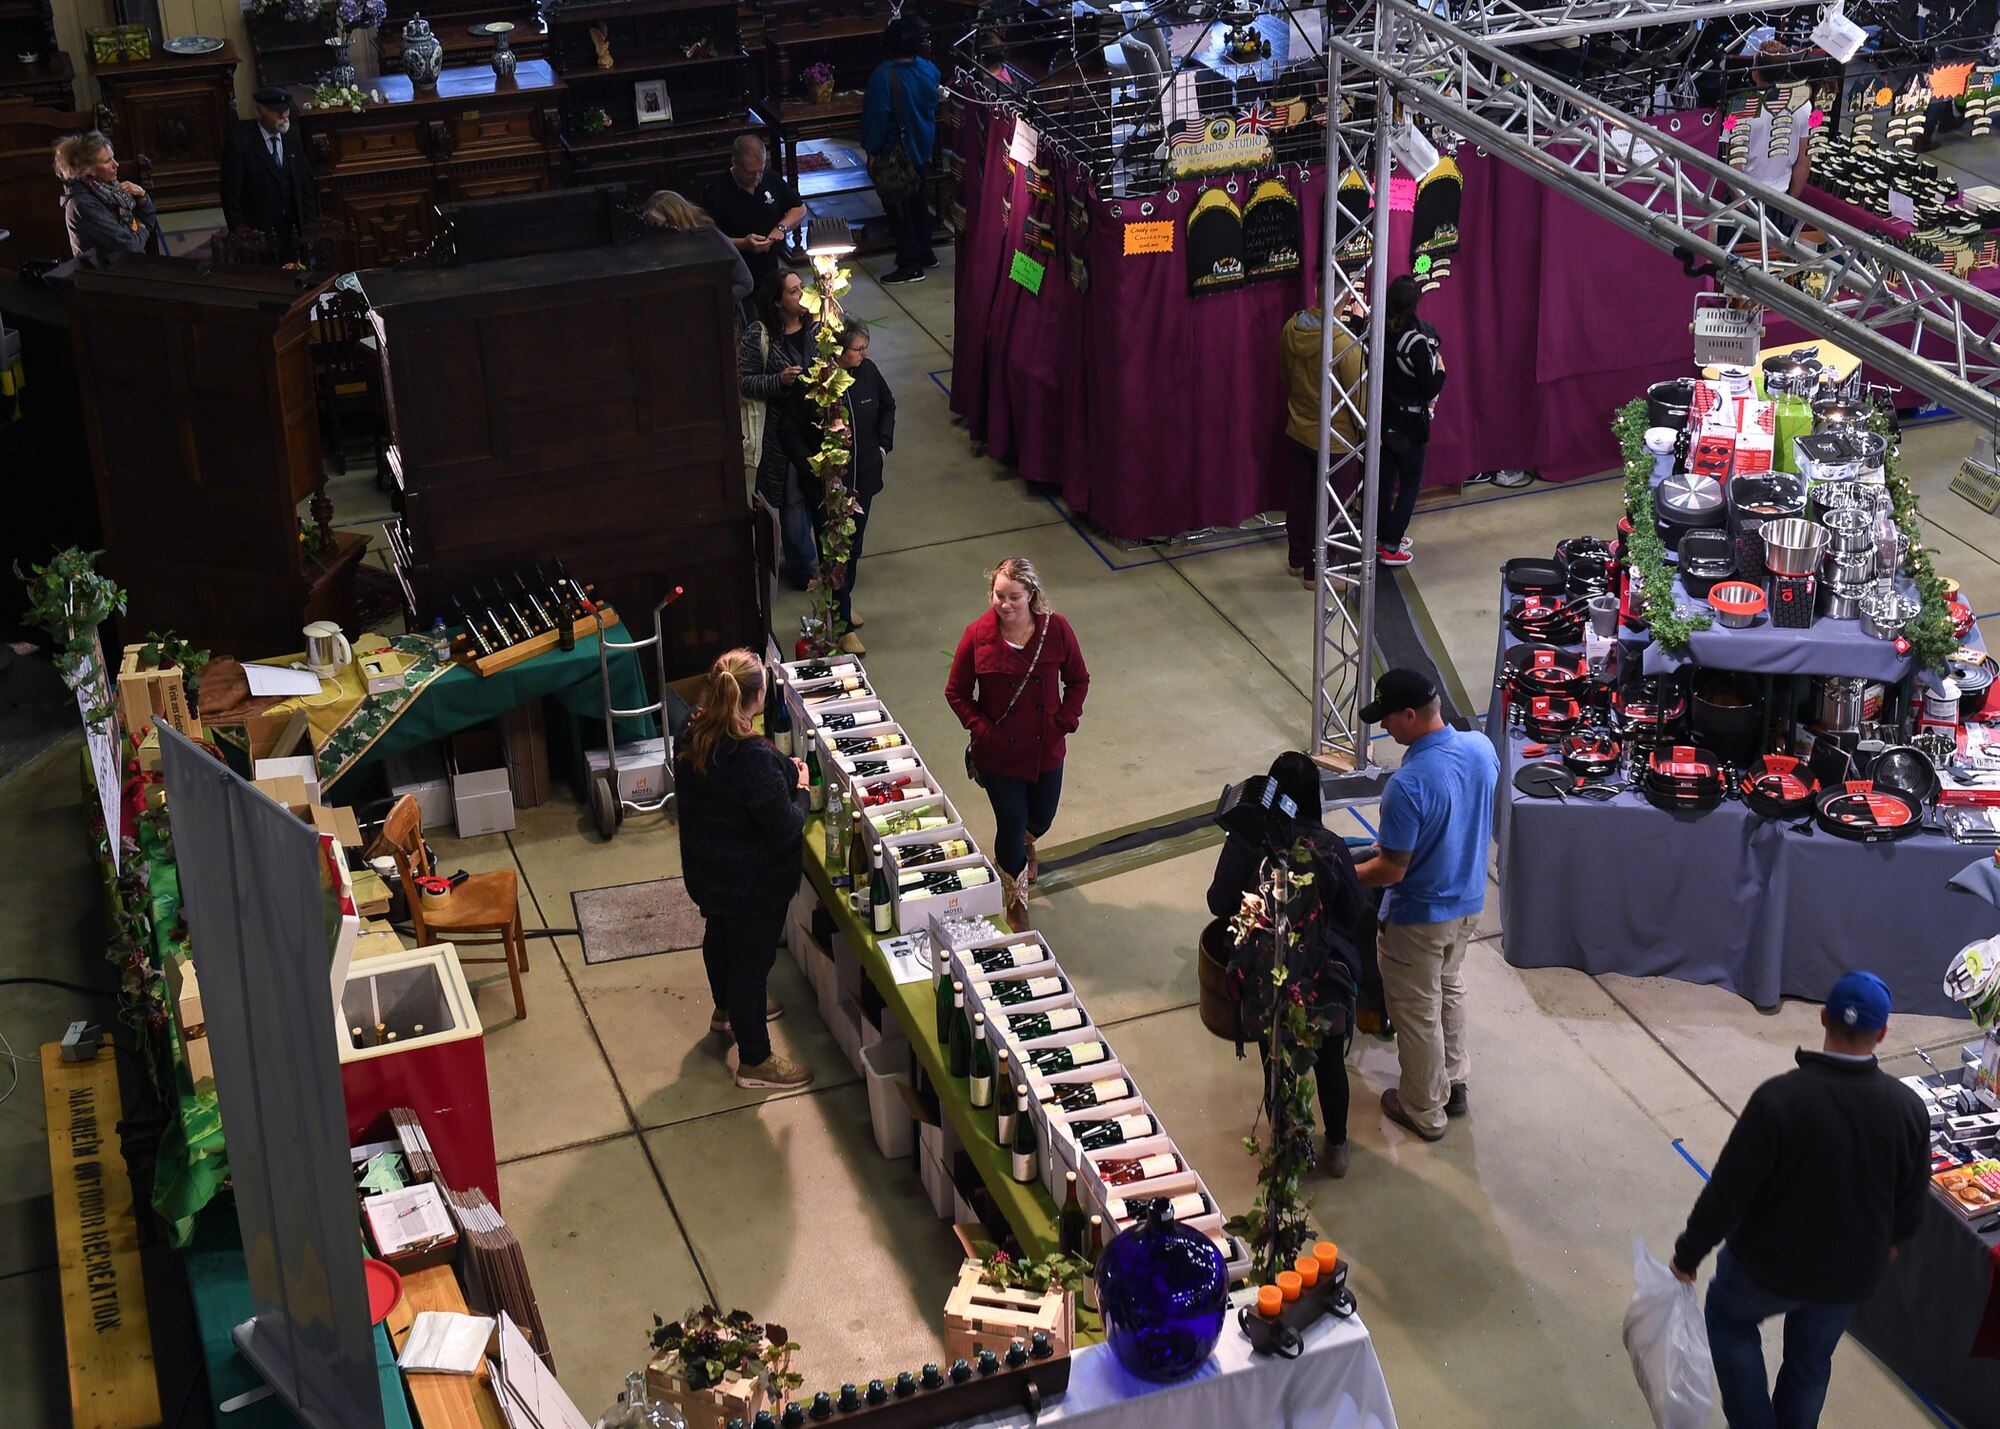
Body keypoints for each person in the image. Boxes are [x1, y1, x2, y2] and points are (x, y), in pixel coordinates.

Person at [1670, 971, 1929, 1429]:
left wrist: (1688, 1255)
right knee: (1809, 1367)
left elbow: (1728, 1191)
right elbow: (1910, 1205)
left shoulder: (1780, 1100)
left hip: (1765, 1269)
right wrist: (1881, 1250)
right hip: (1847, 1276)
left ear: (1823, 1017)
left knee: (1729, 1322)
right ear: (1883, 1032)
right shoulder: (1907, 1110)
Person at [1353, 668, 1497, 1142]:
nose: (1385, 729)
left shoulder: (1408, 784)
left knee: (1416, 1012)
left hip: (1419, 918)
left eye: (1388, 719)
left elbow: (1393, 870)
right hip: (1468, 904)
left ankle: (1423, 1108)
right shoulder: (1481, 750)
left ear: (1411, 715)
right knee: (1449, 987)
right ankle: (1454, 1083)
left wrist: (1342, 874)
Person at [1206, 751, 1366, 1176]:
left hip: (1266, 978)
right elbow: (1353, 911)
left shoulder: (1249, 840)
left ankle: (1286, 1146)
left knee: (1275, 1061)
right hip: (1322, 980)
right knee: (1330, 1062)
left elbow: (1218, 902)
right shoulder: (1329, 846)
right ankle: (1336, 1148)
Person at [675, 649, 814, 1091]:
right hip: (752, 883)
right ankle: (755, 1060)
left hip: (708, 871)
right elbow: (784, 827)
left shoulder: (691, 729)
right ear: (756, 698)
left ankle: (726, 1011)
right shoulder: (749, 755)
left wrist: (780, 777)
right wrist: (803, 790)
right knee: (751, 968)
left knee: (718, 934)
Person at [945, 557, 1090, 931]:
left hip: (1046, 749)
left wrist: (1063, 722)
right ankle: (1015, 898)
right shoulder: (976, 635)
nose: (1005, 605)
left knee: (1041, 817)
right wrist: (984, 731)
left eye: (1014, 597)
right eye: (998, 596)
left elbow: (1078, 680)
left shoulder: (1056, 630)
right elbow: (957, 693)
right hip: (999, 755)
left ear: (1032, 596)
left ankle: (1029, 841)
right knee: (1010, 823)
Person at [1278, 291, 1366, 587]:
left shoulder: (1292, 328)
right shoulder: (1342, 343)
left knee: (1300, 497)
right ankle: (1318, 572)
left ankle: (1297, 560)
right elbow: (1360, 397)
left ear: (1316, 291)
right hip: (1335, 438)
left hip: (1299, 427)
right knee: (1330, 508)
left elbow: (1286, 374)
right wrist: (1367, 434)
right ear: (1349, 295)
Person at [740, 268, 821, 589]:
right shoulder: (758, 336)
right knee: (791, 503)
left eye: (802, 287)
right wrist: (779, 381)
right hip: (779, 437)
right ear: (777, 302)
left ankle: (819, 561)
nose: (802, 294)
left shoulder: (816, 329)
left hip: (816, 431)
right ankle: (804, 569)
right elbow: (744, 382)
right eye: (794, 291)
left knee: (819, 497)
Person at [829, 320, 894, 655]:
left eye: (865, 347)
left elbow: (888, 405)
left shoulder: (868, 371)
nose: (865, 354)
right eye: (858, 348)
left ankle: (843, 604)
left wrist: (882, 446)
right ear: (840, 350)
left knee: (853, 548)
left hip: (863, 479)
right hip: (831, 486)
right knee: (837, 551)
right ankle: (839, 623)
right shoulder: (824, 382)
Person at [860, 15, 941, 284]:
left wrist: (872, 152)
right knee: (919, 201)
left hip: (895, 153)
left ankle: (910, 264)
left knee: (899, 207)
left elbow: (877, 118)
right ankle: (925, 252)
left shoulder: (883, 76)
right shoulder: (929, 69)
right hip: (921, 146)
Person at [1375, 275, 1445, 568]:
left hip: (1385, 418)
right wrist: (1441, 370)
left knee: (1383, 481)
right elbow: (1430, 387)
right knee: (1410, 485)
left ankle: (1381, 537)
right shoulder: (1415, 341)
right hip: (1409, 423)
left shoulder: (1379, 330)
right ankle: (1391, 545)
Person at [219, 87, 320, 253]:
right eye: (276, 111)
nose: (283, 116)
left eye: (286, 110)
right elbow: (230, 198)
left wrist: (309, 227)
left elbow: (304, 186)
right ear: (259, 112)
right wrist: (241, 236)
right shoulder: (239, 145)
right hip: (259, 235)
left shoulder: (292, 138)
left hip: (294, 231)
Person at [701, 135, 806, 289]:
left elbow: (799, 208)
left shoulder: (771, 179)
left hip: (770, 269)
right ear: (734, 163)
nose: (756, 177)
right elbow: (708, 240)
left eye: (760, 171)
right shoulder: (715, 192)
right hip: (735, 273)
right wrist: (743, 243)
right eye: (750, 173)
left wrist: (781, 228)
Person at [644, 189, 755, 319]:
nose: (656, 233)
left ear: (673, 220)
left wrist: (704, 303)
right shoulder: (658, 247)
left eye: (658, 225)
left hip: (719, 317)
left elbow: (746, 283)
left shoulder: (712, 239)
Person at [54, 131, 158, 260]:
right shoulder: (83, 203)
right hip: (110, 275)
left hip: (130, 267)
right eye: (108, 161)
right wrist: (141, 227)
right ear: (88, 169)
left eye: (113, 157)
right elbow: (129, 247)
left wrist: (142, 196)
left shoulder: (112, 188)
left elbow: (149, 221)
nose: (116, 164)